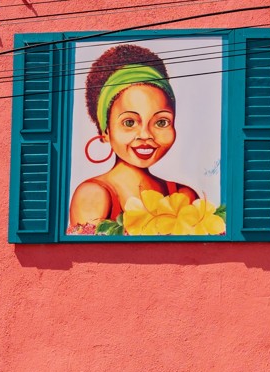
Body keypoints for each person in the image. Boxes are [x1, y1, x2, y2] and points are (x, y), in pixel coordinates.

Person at [69, 44, 209, 232]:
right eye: (129, 122)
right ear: (105, 131)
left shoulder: (185, 196)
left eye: (161, 122)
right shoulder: (94, 195)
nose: (145, 135)